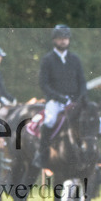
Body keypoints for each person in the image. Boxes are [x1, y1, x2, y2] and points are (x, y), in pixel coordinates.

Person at [37, 24, 87, 165]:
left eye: (66, 38)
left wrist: (79, 99)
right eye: (60, 39)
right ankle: (42, 153)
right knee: (50, 120)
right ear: (54, 40)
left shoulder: (75, 59)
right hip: (55, 101)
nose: (63, 41)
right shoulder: (47, 59)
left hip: (75, 101)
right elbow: (43, 84)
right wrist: (60, 98)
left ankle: (91, 152)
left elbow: (82, 82)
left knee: (97, 122)